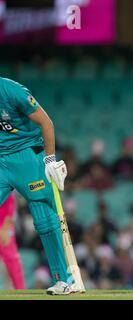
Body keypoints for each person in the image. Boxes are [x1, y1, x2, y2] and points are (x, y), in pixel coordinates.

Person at [0, 77, 74, 295]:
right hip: (1, 159)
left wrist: (50, 159)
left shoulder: (11, 90)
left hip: (27, 156)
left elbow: (46, 122)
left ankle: (63, 279)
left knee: (44, 219)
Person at [0, 193, 25, 289]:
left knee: (12, 260)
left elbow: (10, 206)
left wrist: (5, 228)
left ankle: (20, 289)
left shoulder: (3, 184)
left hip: (4, 227)